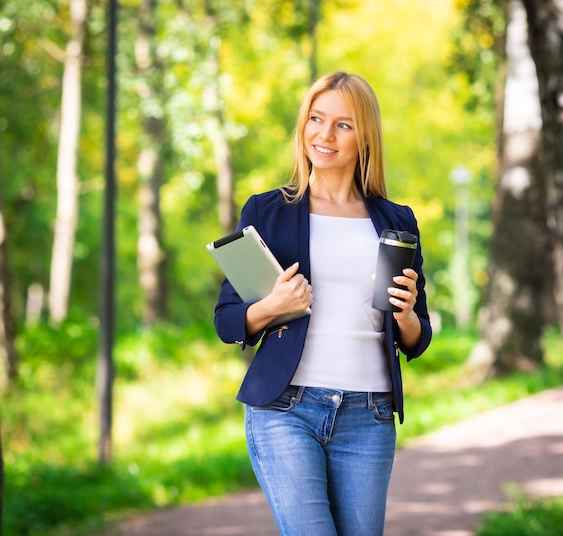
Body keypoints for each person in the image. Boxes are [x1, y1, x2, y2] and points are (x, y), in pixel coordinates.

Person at [213, 71, 431, 536]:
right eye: (316, 119)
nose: (324, 135)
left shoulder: (396, 220)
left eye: (343, 125)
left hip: (368, 415)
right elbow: (227, 320)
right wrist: (273, 305)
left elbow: (418, 338)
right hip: (285, 410)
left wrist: (407, 314)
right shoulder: (267, 210)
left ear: (364, 136)